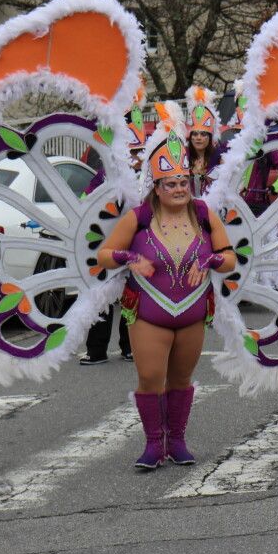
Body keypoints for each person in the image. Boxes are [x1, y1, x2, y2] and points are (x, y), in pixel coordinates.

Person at [97, 118, 236, 470]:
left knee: (181, 378)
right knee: (149, 376)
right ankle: (152, 444)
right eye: (171, 183)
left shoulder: (204, 214)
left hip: (192, 313)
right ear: (156, 187)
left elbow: (230, 259)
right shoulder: (139, 217)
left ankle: (176, 441)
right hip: (148, 313)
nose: (179, 188)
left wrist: (210, 258)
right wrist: (130, 258)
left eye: (184, 182)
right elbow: (103, 254)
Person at [80, 108, 145, 366]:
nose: (134, 158)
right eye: (131, 152)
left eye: (138, 152)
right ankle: (97, 350)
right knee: (103, 293)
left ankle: (130, 346)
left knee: (134, 294)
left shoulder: (149, 177)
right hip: (107, 243)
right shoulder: (106, 174)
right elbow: (85, 200)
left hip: (139, 243)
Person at [185, 86, 222, 198]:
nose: (198, 138)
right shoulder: (184, 156)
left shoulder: (220, 156)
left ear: (210, 137)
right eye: (195, 134)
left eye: (203, 134)